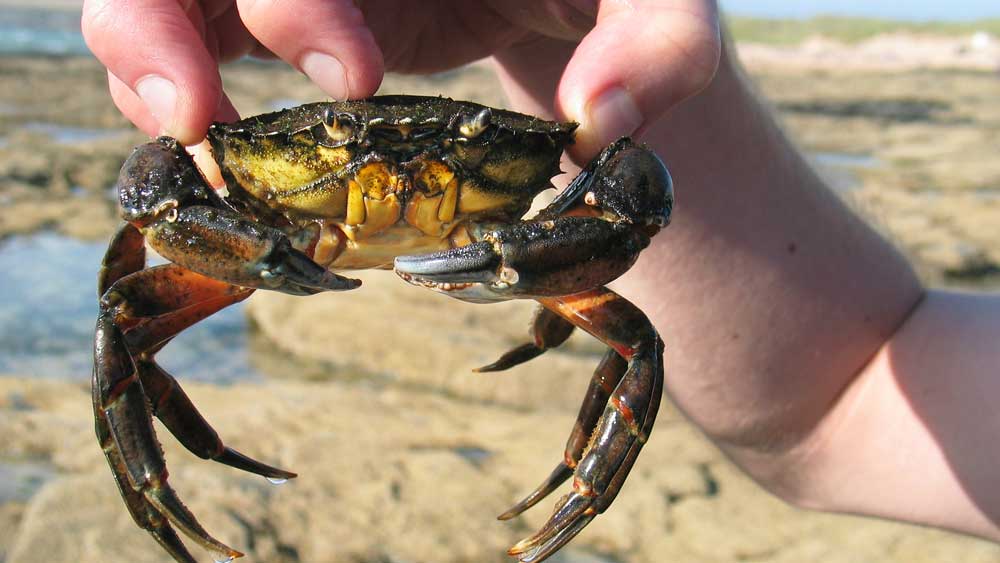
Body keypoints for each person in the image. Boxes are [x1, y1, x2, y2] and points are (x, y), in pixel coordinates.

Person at [82, 0, 1000, 543]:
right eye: (342, 156)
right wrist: (558, 34)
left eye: (456, 157)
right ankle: (165, 483)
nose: (401, 183)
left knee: (628, 340)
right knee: (127, 325)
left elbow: (631, 190)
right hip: (283, 228)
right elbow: (840, 389)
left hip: (475, 235)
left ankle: (578, 477)